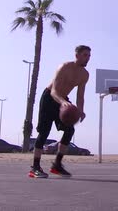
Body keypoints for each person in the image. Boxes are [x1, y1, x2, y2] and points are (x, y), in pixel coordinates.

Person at [29, 45, 91, 178]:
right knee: (44, 132)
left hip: (63, 101)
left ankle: (57, 165)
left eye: (89, 55)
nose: (88, 58)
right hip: (49, 98)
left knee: (69, 130)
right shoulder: (64, 67)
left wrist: (81, 110)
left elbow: (80, 96)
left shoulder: (85, 75)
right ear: (77, 55)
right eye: (85, 55)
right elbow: (54, 91)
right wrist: (63, 102)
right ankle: (35, 167)